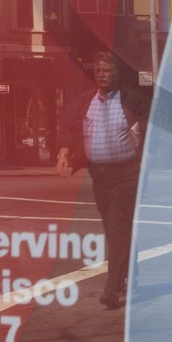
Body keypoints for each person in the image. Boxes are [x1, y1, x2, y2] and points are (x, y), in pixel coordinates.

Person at [56, 50, 144, 309]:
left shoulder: (133, 100)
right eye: (98, 71)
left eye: (107, 70)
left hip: (128, 174)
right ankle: (132, 272)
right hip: (100, 176)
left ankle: (112, 289)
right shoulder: (85, 102)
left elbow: (154, 122)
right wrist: (64, 153)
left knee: (117, 229)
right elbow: (69, 128)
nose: (102, 75)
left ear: (116, 73)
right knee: (115, 230)